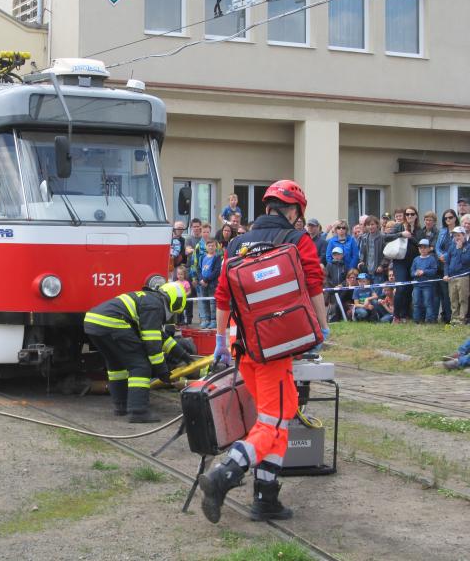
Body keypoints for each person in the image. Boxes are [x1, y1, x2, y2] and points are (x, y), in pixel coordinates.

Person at [201, 179, 328, 524]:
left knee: (273, 418)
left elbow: (223, 295)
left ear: (267, 208)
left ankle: (266, 495)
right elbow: (314, 284)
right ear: (294, 212)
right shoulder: (299, 241)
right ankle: (224, 473)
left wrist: (220, 341)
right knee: (274, 419)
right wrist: (322, 327)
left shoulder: (238, 243)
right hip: (276, 348)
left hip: (242, 345)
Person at [84, 282, 185, 423]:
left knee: (116, 365)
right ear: (175, 302)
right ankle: (138, 412)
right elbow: (152, 343)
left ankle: (121, 405)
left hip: (92, 322)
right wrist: (162, 370)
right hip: (112, 323)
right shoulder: (155, 306)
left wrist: (183, 355)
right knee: (140, 366)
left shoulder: (149, 299)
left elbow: (160, 337)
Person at [387, 206, 420, 323]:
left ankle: (405, 314)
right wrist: (401, 234)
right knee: (401, 288)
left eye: (412, 214)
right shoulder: (399, 226)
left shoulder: (419, 229)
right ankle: (396, 316)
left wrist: (410, 237)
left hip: (414, 262)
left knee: (409, 289)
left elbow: (421, 244)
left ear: (416, 216)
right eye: (407, 214)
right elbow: (386, 237)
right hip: (399, 262)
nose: (409, 216)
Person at [443, 226, 470, 326]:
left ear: (464, 235)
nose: (456, 238)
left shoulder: (468, 247)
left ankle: (462, 319)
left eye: (458, 235)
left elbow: (466, 261)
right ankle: (454, 319)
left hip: (463, 277)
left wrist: (460, 249)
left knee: (463, 299)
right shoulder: (451, 247)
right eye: (455, 236)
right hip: (452, 277)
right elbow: (446, 262)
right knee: (453, 299)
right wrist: (446, 274)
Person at [435, 209, 458, 324]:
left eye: (450, 217)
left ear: (455, 218)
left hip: (454, 264)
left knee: (453, 294)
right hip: (442, 265)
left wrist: (447, 256)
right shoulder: (442, 231)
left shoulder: (459, 230)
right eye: (446, 218)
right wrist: (440, 255)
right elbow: (437, 247)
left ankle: (456, 318)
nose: (448, 220)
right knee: (444, 294)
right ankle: (447, 318)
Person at [357, 215, 391, 285]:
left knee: (377, 293)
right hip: (367, 270)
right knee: (369, 293)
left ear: (377, 225)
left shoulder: (382, 237)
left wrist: (382, 265)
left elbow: (387, 254)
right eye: (368, 225)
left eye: (372, 224)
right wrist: (361, 261)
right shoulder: (364, 238)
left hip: (378, 271)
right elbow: (362, 252)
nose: (370, 227)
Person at [410, 239, 438, 323]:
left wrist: (424, 272)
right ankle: (417, 319)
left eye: (425, 247)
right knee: (416, 302)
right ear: (418, 249)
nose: (422, 249)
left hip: (428, 285)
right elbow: (411, 272)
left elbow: (434, 270)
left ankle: (430, 319)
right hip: (417, 285)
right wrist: (416, 273)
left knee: (428, 303)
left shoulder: (432, 259)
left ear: (429, 249)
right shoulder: (416, 259)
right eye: (420, 248)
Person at [197, 239, 221, 329]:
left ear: (216, 247)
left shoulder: (217, 257)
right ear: (206, 247)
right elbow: (199, 269)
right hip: (202, 284)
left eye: (213, 245)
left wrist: (206, 280)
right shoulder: (202, 257)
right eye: (209, 245)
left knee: (212, 302)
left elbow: (216, 271)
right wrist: (201, 280)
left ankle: (213, 320)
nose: (211, 247)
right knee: (204, 302)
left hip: (212, 284)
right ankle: (206, 320)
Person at [325, 246, 348, 322]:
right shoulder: (329, 265)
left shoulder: (344, 265)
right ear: (332, 256)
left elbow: (346, 278)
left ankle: (342, 317)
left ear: (342, 255)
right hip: (332, 290)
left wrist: (342, 285)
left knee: (341, 304)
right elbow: (327, 278)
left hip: (342, 290)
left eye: (338, 254)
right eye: (335, 254)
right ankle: (332, 319)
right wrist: (333, 287)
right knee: (333, 305)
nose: (336, 256)